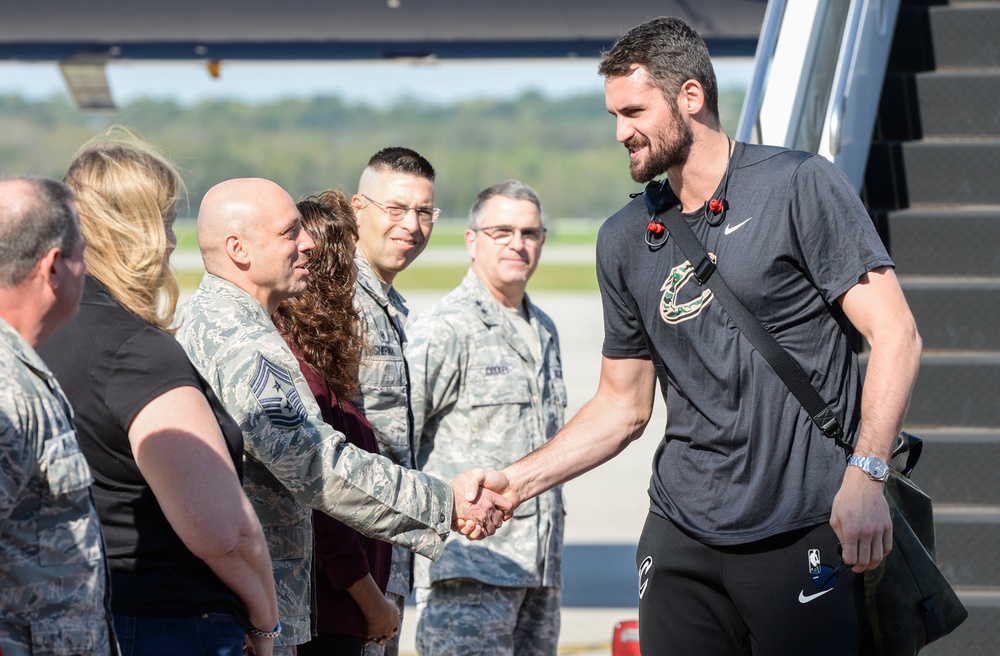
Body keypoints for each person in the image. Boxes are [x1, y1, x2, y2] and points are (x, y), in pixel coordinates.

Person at [467, 16, 922, 655]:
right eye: (613, 115)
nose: (621, 132)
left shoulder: (798, 185)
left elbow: (896, 334)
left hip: (802, 529)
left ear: (690, 97)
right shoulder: (623, 239)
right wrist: (517, 482)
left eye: (633, 111)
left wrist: (867, 476)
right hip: (680, 536)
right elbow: (622, 406)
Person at [174, 177, 509, 656]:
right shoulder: (246, 346)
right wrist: (444, 503)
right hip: (245, 615)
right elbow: (316, 467)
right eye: (290, 233)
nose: (307, 243)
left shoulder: (217, 321)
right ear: (238, 249)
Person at [40, 133, 279, 656]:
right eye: (167, 221)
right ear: (141, 230)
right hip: (169, 621)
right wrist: (266, 625)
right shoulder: (136, 353)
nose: (173, 242)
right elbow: (222, 532)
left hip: (77, 608)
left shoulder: (43, 331)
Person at [406, 180, 566, 656]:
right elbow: (392, 446)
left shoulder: (544, 331)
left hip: (538, 574)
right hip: (468, 573)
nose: (518, 244)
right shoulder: (445, 329)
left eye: (530, 233)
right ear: (472, 240)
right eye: (501, 231)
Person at [272, 192, 396, 655]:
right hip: (328, 613)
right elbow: (325, 507)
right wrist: (372, 602)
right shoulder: (301, 373)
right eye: (345, 262)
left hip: (339, 611)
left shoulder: (322, 365)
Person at [0, 176, 115, 656]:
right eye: (81, 255)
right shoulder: (8, 388)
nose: (86, 270)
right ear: (52, 267)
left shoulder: (23, 368)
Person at [348, 147, 439, 656]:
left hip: (387, 564)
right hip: (348, 575)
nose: (412, 225)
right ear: (358, 209)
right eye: (396, 209)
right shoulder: (335, 301)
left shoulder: (391, 306)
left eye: (424, 212)